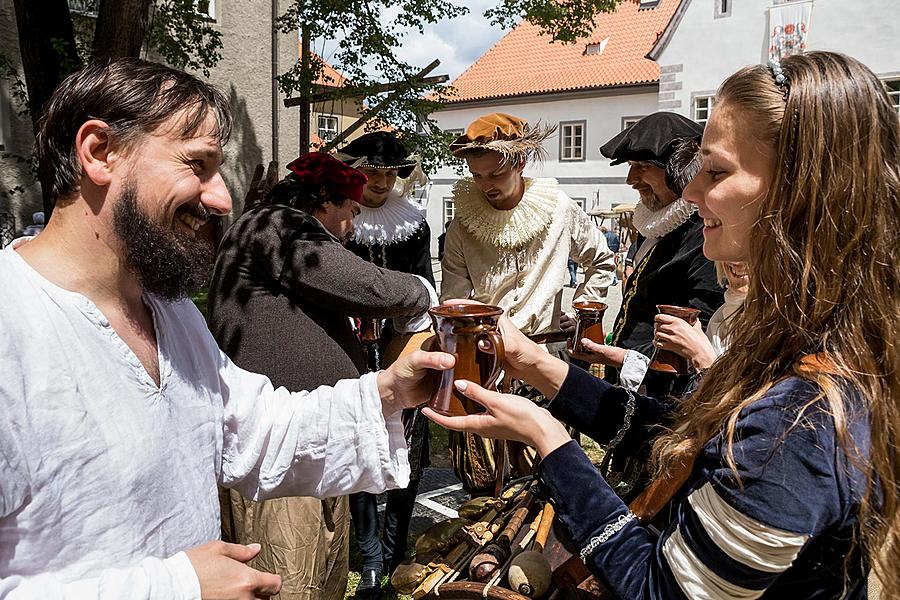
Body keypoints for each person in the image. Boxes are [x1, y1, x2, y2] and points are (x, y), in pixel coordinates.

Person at [429, 51, 899, 598]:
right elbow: (683, 437)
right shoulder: (804, 339)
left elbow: (661, 588)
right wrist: (536, 366)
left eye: (717, 171)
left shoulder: (801, 419)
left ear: (803, 190)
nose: (693, 190)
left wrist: (550, 442)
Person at [0, 57, 453, 599]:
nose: (221, 199)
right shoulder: (11, 325)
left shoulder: (170, 312)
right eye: (197, 165)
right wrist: (174, 587)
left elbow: (255, 430)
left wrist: (388, 391)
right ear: (100, 152)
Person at [208, 152, 437, 600]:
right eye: (351, 212)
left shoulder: (279, 236)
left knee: (324, 576)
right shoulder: (275, 224)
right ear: (325, 202)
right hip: (278, 449)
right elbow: (369, 286)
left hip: (314, 437)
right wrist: (420, 291)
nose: (351, 227)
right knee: (286, 579)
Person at [440, 112, 616, 493]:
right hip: (489, 364)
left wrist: (583, 310)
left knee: (550, 469)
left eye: (495, 174)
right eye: (477, 176)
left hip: (546, 359)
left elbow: (601, 261)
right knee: (487, 477)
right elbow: (453, 300)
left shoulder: (558, 209)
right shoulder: (462, 225)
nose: (486, 185)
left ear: (519, 163)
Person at [337, 132, 436, 598]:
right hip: (352, 346)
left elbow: (424, 284)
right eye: (372, 171)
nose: (380, 180)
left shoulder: (414, 222)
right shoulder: (342, 218)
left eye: (390, 171)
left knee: (408, 448)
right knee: (360, 443)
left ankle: (395, 549)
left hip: (403, 341)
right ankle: (371, 556)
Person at [583, 112, 724, 404]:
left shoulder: (705, 236)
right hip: (633, 386)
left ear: (680, 170)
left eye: (642, 167)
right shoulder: (656, 223)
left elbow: (702, 334)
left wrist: (623, 357)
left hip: (668, 399)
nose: (631, 179)